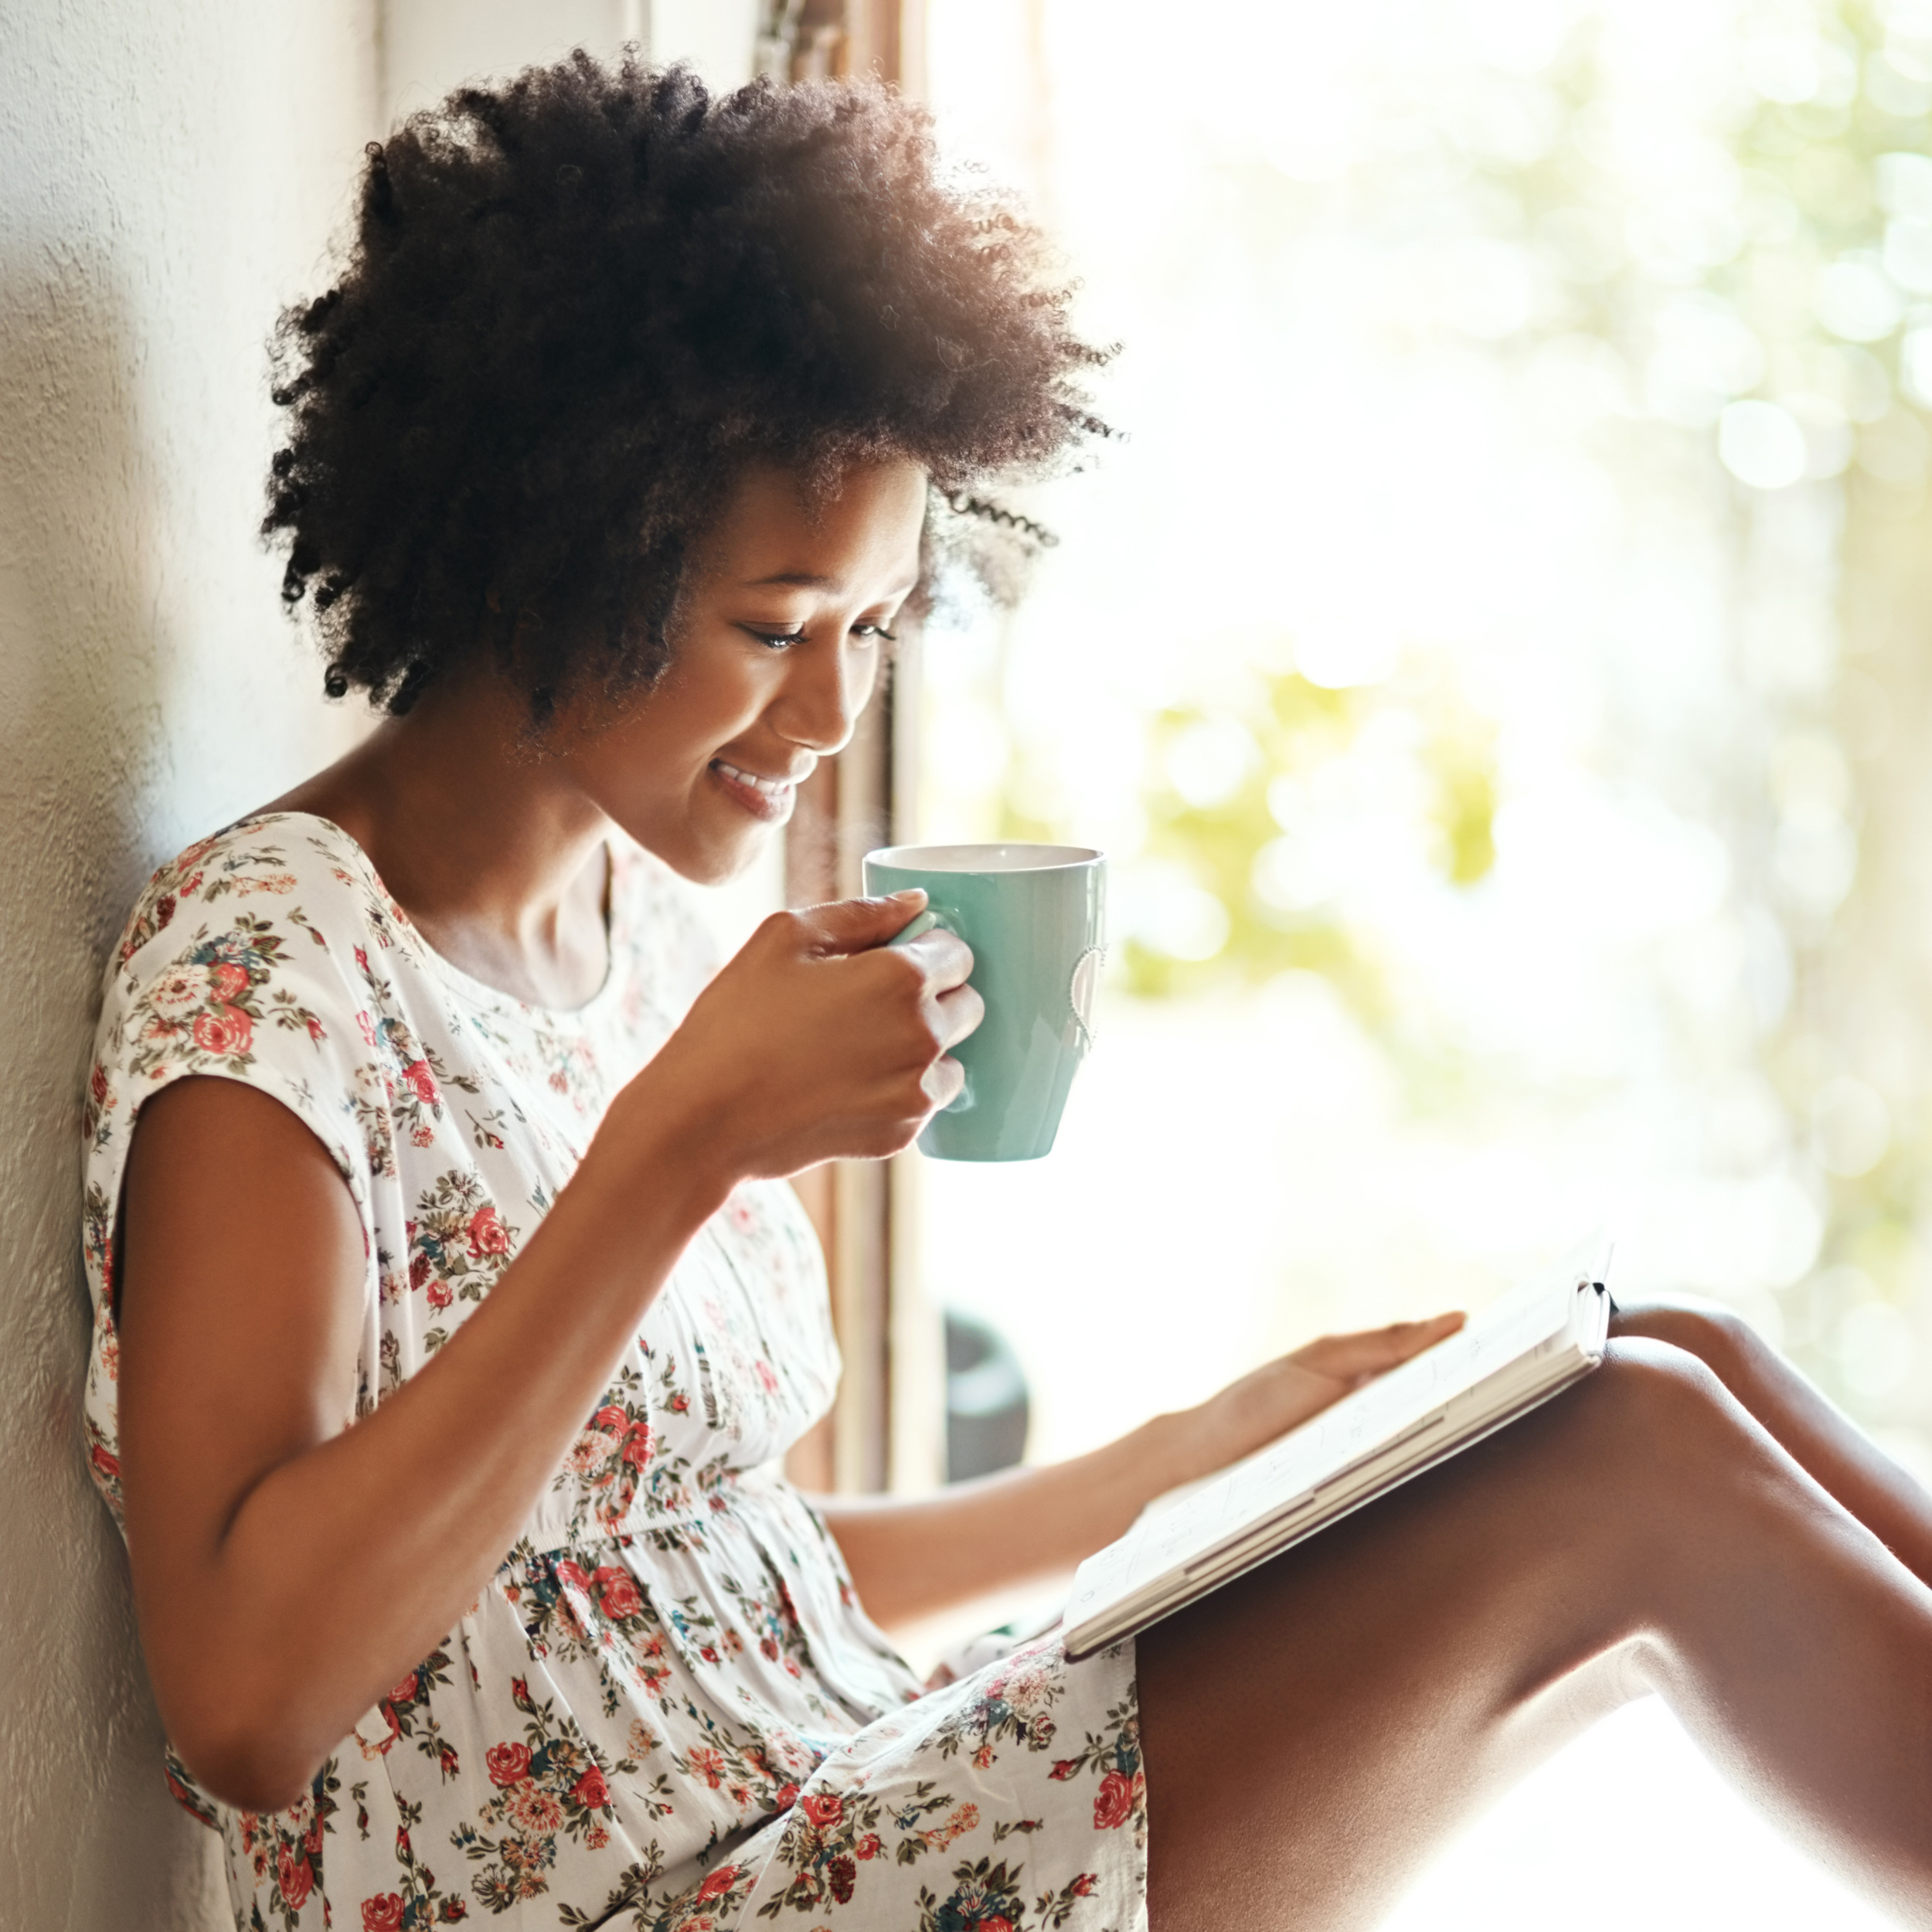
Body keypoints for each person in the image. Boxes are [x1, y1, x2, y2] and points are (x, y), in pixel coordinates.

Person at [80, 53, 1932, 1932]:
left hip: (837, 1782)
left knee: (1660, 1345)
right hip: (670, 1901)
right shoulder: (271, 966)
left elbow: (705, 1575)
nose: (829, 714)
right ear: (545, 544)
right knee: (1626, 1462)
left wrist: (1185, 1462)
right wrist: (681, 1142)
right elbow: (246, 1699)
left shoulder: (629, 935)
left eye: (874, 627)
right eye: (773, 629)